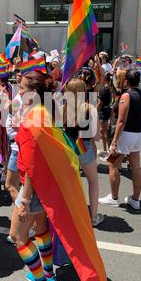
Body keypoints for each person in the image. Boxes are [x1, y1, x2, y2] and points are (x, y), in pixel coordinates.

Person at [9, 71, 58, 281]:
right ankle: (48, 274)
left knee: (18, 237)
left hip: (33, 188)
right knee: (40, 229)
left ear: (34, 92)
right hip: (45, 186)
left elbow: (31, 166)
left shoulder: (32, 120)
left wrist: (25, 199)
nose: (18, 92)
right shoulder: (45, 113)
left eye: (21, 88)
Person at [99, 70, 141, 210]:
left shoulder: (126, 95)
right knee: (135, 167)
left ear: (126, 81)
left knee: (112, 165)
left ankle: (114, 198)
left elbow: (121, 121)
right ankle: (135, 199)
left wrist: (114, 141)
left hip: (126, 134)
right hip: (138, 133)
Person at [63, 78, 103, 227]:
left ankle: (69, 214)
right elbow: (97, 136)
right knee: (93, 182)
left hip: (69, 148)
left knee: (69, 183)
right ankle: (93, 217)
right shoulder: (90, 108)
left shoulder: (64, 108)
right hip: (85, 147)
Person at [97, 72, 112, 158]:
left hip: (102, 111)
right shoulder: (110, 88)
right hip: (108, 109)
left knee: (103, 131)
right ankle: (106, 149)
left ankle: (104, 149)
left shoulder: (103, 89)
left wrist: (94, 111)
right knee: (106, 131)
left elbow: (100, 103)